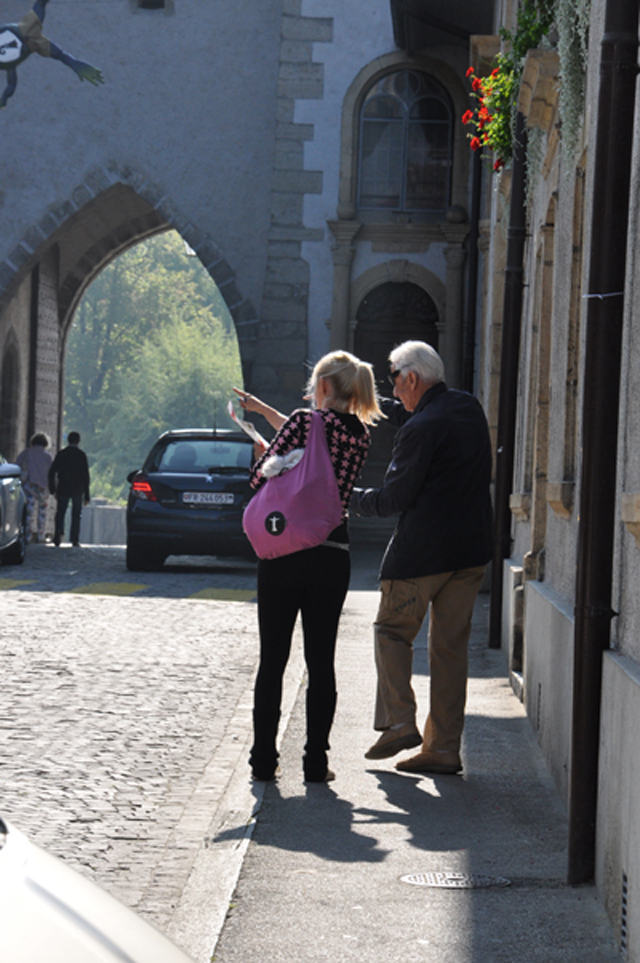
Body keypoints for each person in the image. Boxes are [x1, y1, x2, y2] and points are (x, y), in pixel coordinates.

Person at [234, 351, 381, 783]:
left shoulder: (305, 421)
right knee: (321, 661)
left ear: (324, 386)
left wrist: (263, 455)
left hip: (284, 555)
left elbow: (260, 477)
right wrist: (265, 412)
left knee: (273, 660)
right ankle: (316, 763)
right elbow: (317, 441)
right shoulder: (359, 435)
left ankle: (264, 762)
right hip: (332, 554)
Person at [350, 341, 493, 775]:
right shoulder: (466, 407)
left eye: (395, 382)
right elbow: (419, 416)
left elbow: (393, 499)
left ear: (411, 378)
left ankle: (399, 722)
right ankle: (444, 749)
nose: (395, 391)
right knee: (449, 652)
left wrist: (344, 495)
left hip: (420, 556)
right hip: (469, 553)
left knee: (391, 632)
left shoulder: (420, 429)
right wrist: (373, 407)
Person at [48, 431, 90, 547]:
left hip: (63, 487)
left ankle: (58, 534)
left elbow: (52, 472)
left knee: (61, 512)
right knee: (76, 514)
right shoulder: (81, 455)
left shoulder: (62, 454)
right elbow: (85, 476)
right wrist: (87, 494)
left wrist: (52, 488)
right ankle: (74, 539)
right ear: (78, 441)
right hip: (77, 489)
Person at [15, 432, 53, 543]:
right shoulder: (47, 456)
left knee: (28, 513)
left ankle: (27, 536)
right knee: (42, 513)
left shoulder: (26, 453)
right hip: (43, 488)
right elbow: (52, 473)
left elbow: (16, 465)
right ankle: (41, 536)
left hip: (29, 486)